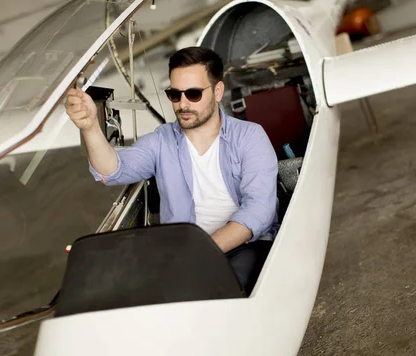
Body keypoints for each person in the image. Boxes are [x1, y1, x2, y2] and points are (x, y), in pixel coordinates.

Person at [65, 46, 278, 293]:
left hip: (243, 245)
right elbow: (113, 171)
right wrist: (90, 127)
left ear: (218, 91)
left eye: (194, 94)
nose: (183, 104)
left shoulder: (250, 136)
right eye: (175, 95)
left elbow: (258, 211)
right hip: (182, 249)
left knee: (231, 289)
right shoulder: (161, 140)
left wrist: (201, 251)